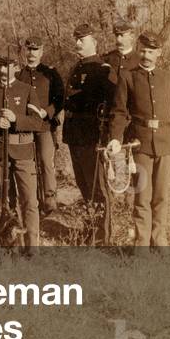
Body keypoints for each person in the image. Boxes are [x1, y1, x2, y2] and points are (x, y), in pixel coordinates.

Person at [108, 31, 170, 247]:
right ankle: (141, 246)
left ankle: (159, 243)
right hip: (140, 146)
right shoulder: (128, 77)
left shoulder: (168, 78)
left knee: (161, 197)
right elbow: (120, 112)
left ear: (159, 53)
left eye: (151, 51)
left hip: (166, 145)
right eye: (143, 50)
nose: (146, 55)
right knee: (142, 197)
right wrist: (115, 138)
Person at [0, 57, 41, 250]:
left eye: (8, 66)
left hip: (23, 152)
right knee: (6, 201)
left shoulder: (27, 90)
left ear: (15, 68)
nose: (3, 70)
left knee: (30, 201)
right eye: (0, 66)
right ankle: (11, 244)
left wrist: (17, 119)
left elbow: (37, 122)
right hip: (0, 152)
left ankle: (33, 248)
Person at [63, 23, 115, 243]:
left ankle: (104, 236)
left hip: (91, 136)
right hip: (75, 135)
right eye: (76, 39)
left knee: (98, 187)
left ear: (94, 42)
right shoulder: (77, 67)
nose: (77, 43)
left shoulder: (102, 69)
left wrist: (104, 138)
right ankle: (91, 229)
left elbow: (108, 105)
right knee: (84, 186)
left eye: (82, 40)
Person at [16, 38, 65, 214]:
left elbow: (60, 98)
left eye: (35, 50)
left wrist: (47, 112)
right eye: (29, 50)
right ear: (24, 51)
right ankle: (32, 200)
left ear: (41, 51)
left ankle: (50, 201)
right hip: (25, 128)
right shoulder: (18, 75)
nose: (31, 54)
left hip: (45, 126)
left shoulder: (50, 73)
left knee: (46, 162)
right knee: (27, 164)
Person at [104, 17, 142, 83]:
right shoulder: (106, 59)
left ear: (131, 36)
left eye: (121, 35)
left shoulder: (140, 60)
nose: (118, 39)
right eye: (116, 35)